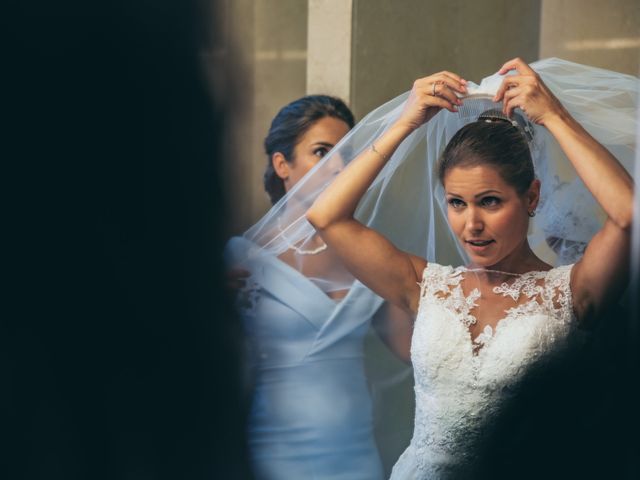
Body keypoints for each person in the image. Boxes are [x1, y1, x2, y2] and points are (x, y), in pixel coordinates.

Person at [306, 58, 634, 478]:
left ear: (531, 198)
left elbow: (628, 215)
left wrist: (554, 115)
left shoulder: (572, 292)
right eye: (457, 203)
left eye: (490, 201)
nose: (471, 224)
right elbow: (326, 217)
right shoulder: (427, 286)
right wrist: (407, 122)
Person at [226, 95, 401, 479]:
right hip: (273, 455)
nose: (339, 166)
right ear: (282, 164)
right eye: (322, 152)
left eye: (346, 154)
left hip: (355, 455)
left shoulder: (367, 251)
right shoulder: (242, 260)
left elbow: (413, 351)